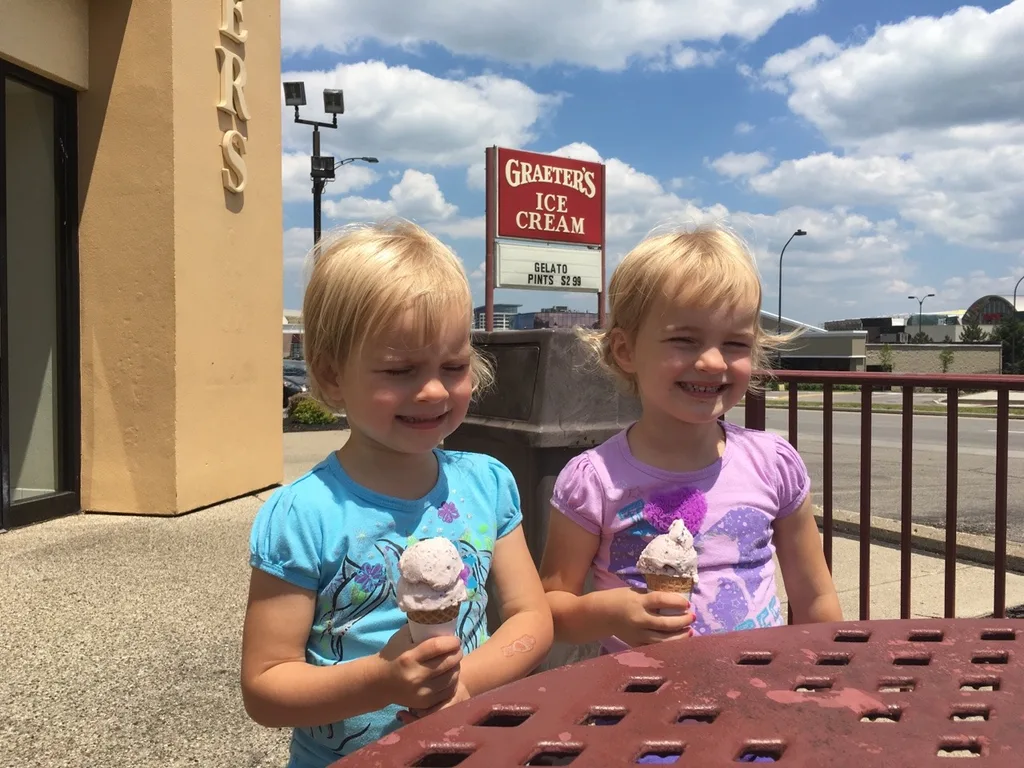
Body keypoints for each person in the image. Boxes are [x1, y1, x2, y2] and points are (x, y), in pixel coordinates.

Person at [241, 220, 553, 767]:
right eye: (399, 369)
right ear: (332, 376)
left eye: (453, 366)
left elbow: (531, 616)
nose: (433, 389)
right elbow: (266, 686)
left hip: (474, 744)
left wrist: (463, 683)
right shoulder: (305, 514)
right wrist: (384, 680)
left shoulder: (488, 483)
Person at [539, 225, 842, 654]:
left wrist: (831, 672)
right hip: (639, 703)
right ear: (625, 351)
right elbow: (550, 609)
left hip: (755, 694)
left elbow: (815, 597)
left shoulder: (773, 463)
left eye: (735, 343)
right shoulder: (593, 480)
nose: (712, 361)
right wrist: (611, 614)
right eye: (684, 340)